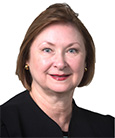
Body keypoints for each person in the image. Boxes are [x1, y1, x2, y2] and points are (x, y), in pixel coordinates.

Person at [0, 3, 114, 138]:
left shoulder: (109, 129)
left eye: (72, 50)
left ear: (86, 61)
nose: (60, 64)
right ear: (26, 59)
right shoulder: (4, 125)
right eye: (47, 50)